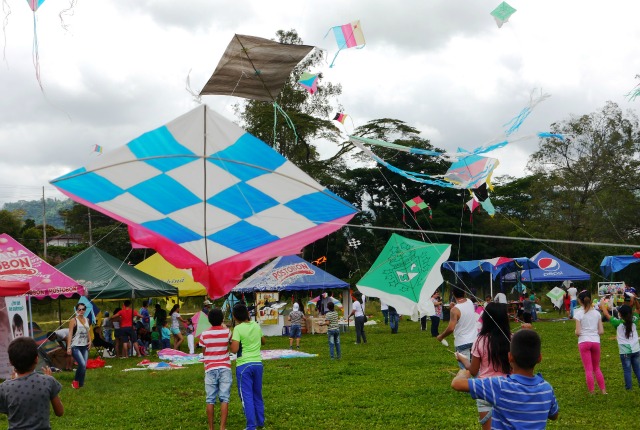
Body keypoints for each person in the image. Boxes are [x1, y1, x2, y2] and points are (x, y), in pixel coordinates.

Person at [451, 330, 559, 428]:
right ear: (539, 358)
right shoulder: (547, 388)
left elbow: (457, 384)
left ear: (510, 357)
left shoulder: (500, 386)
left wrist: (463, 373)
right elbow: (554, 415)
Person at [455, 302, 511, 430]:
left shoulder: (480, 340)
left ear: (485, 319)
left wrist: (463, 360)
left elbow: (474, 371)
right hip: (508, 389)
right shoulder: (512, 339)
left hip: (485, 388)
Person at [0, 337, 64, 428]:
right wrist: (49, 380)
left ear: (10, 361)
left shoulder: (4, 387)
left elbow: (10, 411)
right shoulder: (48, 381)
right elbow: (60, 412)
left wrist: (12, 382)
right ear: (37, 359)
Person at [231, 304, 266, 430]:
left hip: (244, 365)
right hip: (258, 364)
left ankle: (251, 426)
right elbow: (263, 341)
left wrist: (232, 341)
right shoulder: (256, 325)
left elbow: (234, 350)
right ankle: (260, 421)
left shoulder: (238, 329)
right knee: (257, 393)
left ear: (235, 316)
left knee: (247, 396)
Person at [199, 308, 232, 430]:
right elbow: (230, 345)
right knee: (224, 398)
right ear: (222, 319)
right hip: (224, 367)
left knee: (210, 399)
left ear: (209, 320)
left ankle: (211, 428)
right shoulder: (227, 332)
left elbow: (204, 352)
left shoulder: (204, 334)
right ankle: (222, 428)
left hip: (210, 368)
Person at [574, 289, 607, 394]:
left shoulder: (578, 313)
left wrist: (576, 331)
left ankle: (592, 391)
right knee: (596, 367)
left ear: (580, 301)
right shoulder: (597, 313)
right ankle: (603, 390)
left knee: (588, 369)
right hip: (595, 342)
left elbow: (578, 332)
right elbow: (601, 331)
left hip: (584, 342)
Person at [437, 286, 478, 369]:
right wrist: (454, 307)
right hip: (474, 340)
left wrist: (441, 336)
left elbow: (451, 328)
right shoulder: (470, 302)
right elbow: (463, 309)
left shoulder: (454, 310)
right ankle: (480, 382)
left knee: (465, 371)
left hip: (462, 342)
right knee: (476, 368)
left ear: (453, 294)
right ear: (465, 292)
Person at [601, 304, 640, 390]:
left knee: (627, 370)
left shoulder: (617, 323)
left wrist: (602, 304)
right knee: (637, 369)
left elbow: (607, 314)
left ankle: (629, 388)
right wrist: (635, 301)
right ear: (631, 313)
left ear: (620, 314)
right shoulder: (635, 320)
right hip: (636, 349)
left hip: (625, 351)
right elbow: (638, 308)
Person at [67, 303, 91, 389]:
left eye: (83, 309)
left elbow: (88, 330)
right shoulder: (73, 320)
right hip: (75, 345)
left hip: (84, 346)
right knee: (81, 364)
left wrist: (90, 340)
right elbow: (70, 333)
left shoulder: (87, 320)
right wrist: (69, 347)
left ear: (85, 310)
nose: (81, 311)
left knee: (84, 366)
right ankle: (75, 382)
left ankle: (81, 383)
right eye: (79, 309)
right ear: (76, 310)